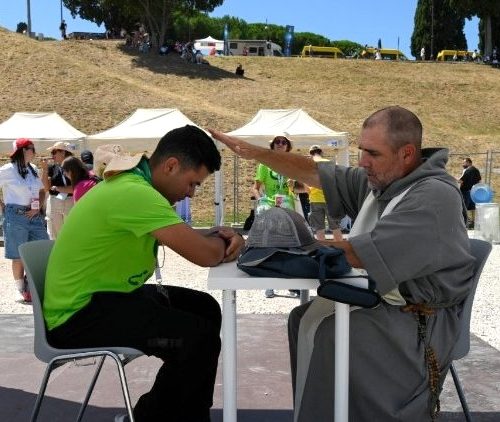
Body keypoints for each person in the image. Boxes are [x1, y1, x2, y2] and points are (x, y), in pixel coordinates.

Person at [209, 106, 475, 421]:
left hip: (418, 321)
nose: (363, 161)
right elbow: (317, 173)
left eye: (373, 153)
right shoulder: (389, 180)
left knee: (329, 332)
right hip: (393, 303)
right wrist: (255, 153)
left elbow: (356, 253)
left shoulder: (432, 197)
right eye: (362, 150)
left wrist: (260, 247)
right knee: (301, 319)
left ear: (406, 154)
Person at [44, 125, 245, 422]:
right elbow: (205, 255)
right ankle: (159, 415)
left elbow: (195, 241)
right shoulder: (135, 193)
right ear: (171, 166)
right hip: (77, 317)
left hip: (106, 298)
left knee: (205, 308)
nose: (191, 193)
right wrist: (230, 241)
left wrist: (221, 239)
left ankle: (175, 413)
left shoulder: (135, 184)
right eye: (193, 183)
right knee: (196, 338)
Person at [0, 138, 49, 303]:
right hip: (15, 215)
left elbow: (42, 190)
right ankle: (21, 290)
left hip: (34, 215)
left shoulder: (32, 168)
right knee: (18, 254)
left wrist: (38, 206)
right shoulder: (7, 170)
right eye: (31, 148)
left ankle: (33, 285)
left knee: (41, 249)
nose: (34, 151)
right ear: (22, 151)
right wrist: (2, 206)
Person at [252, 135, 297, 299]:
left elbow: (300, 188)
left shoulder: (292, 163)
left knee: (289, 245)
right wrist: (261, 200)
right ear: (272, 145)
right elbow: (255, 188)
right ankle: (269, 284)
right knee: (270, 244)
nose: (280, 144)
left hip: (287, 205)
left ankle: (291, 284)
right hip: (270, 206)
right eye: (277, 142)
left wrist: (295, 184)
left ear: (288, 146)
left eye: (284, 142)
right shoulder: (264, 164)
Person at [306, 145, 343, 241]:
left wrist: (309, 192)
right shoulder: (329, 163)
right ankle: (340, 248)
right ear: (321, 152)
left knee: (319, 229)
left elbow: (306, 184)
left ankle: (323, 249)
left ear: (310, 154)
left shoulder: (309, 164)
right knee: (335, 227)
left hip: (315, 200)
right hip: (330, 198)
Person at [40, 141, 74, 239]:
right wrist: (45, 170)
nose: (52, 155)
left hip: (70, 201)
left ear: (63, 152)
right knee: (54, 233)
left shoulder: (73, 167)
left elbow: (75, 188)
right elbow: (46, 188)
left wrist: (58, 188)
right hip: (54, 201)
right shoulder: (52, 168)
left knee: (70, 231)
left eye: (54, 152)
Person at [459, 157, 481, 228]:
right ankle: (473, 222)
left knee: (464, 207)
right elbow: (479, 180)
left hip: (465, 191)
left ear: (469, 163)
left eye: (464, 163)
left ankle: (465, 222)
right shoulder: (476, 170)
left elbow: (461, 181)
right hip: (473, 191)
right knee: (472, 207)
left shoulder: (468, 171)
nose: (463, 164)